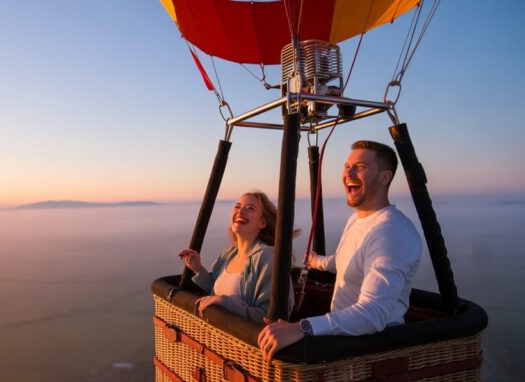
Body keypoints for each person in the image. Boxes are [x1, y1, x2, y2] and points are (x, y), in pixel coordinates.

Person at [258, 140, 422, 362]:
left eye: (361, 167)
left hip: (370, 356)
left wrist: (303, 327)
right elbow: (347, 261)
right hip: (344, 345)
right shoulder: (357, 220)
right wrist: (317, 262)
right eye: (347, 166)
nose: (349, 173)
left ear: (385, 178)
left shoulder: (392, 232)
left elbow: (373, 314)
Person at [178, 191, 293, 323]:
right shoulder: (228, 255)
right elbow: (215, 294)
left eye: (250, 208)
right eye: (238, 207)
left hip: (243, 342)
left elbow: (268, 318)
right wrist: (198, 269)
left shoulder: (267, 257)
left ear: (262, 222)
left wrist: (224, 302)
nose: (240, 211)